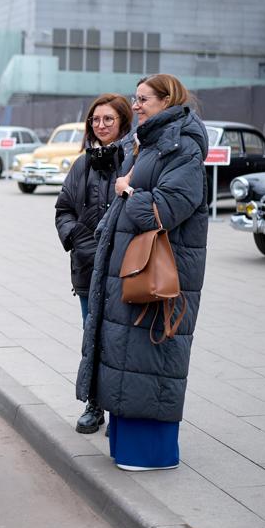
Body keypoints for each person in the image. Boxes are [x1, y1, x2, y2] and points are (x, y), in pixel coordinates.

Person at [75, 73, 208, 471]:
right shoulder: (149, 143)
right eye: (135, 98)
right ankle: (128, 448)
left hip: (156, 275)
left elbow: (164, 210)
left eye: (144, 98)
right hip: (129, 272)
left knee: (150, 359)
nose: (136, 105)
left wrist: (126, 190)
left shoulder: (181, 147)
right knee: (124, 357)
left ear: (168, 101)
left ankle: (152, 455)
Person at [54, 93, 132, 434]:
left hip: (125, 270)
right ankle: (94, 405)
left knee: (121, 340)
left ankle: (122, 409)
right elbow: (64, 210)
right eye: (95, 120)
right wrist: (82, 244)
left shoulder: (133, 161)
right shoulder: (82, 164)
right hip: (87, 269)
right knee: (93, 336)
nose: (100, 126)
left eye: (108, 120)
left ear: (124, 122)